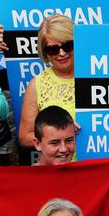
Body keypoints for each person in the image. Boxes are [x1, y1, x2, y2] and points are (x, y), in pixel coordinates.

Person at [33, 105, 109, 181]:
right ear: (37, 144)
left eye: (69, 140)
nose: (63, 149)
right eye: (55, 143)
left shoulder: (86, 179)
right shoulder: (24, 181)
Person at [19, 15, 75, 148]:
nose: (61, 53)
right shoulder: (37, 85)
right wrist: (61, 135)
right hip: (60, 165)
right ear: (44, 52)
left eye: (68, 46)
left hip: (98, 163)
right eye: (53, 49)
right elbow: (25, 137)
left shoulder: (99, 74)